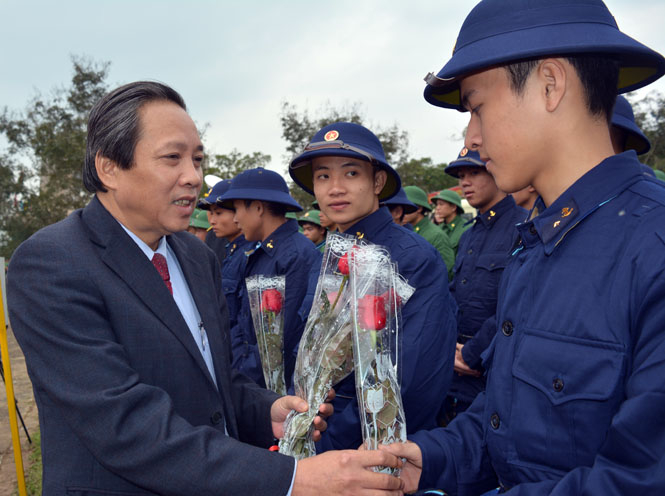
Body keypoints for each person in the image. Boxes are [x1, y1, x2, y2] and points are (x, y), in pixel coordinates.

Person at [6, 81, 404, 495]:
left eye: (197, 159)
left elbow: (215, 378)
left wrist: (264, 409)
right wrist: (294, 479)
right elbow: (124, 426)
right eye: (172, 158)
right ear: (109, 168)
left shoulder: (195, 258)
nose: (193, 177)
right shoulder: (53, 263)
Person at [385, 1, 665, 494]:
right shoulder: (534, 242)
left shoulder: (653, 245)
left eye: (476, 108)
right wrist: (432, 459)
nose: (470, 139)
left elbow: (639, 479)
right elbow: (506, 418)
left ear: (550, 85)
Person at [289, 121, 457, 452]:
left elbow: (412, 382)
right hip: (313, 434)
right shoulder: (326, 256)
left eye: (351, 173)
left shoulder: (411, 259)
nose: (335, 188)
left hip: (367, 449)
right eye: (323, 176)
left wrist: (330, 444)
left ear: (377, 181)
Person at [441, 147, 526, 424]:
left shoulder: (523, 226)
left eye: (474, 172)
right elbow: (455, 295)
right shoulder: (469, 234)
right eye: (461, 175)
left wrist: (473, 352)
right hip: (458, 366)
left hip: (495, 364)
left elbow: (519, 302)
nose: (465, 182)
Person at [217, 168, 320, 391]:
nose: (235, 218)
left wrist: (238, 378)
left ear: (257, 208)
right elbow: (242, 326)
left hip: (271, 389)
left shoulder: (295, 255)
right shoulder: (260, 253)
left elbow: (281, 340)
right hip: (248, 379)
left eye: (236, 210)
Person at [198, 178, 257, 337]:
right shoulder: (230, 249)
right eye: (211, 213)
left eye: (218, 213)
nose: (212, 220)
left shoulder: (250, 254)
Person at [403, 185, 455, 278]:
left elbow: (445, 271)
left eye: (405, 207)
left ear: (419, 208)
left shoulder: (436, 235)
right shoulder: (406, 231)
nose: (400, 212)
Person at [430, 189, 469, 258]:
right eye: (437, 204)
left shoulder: (466, 228)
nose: (437, 208)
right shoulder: (439, 228)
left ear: (453, 207)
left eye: (441, 204)